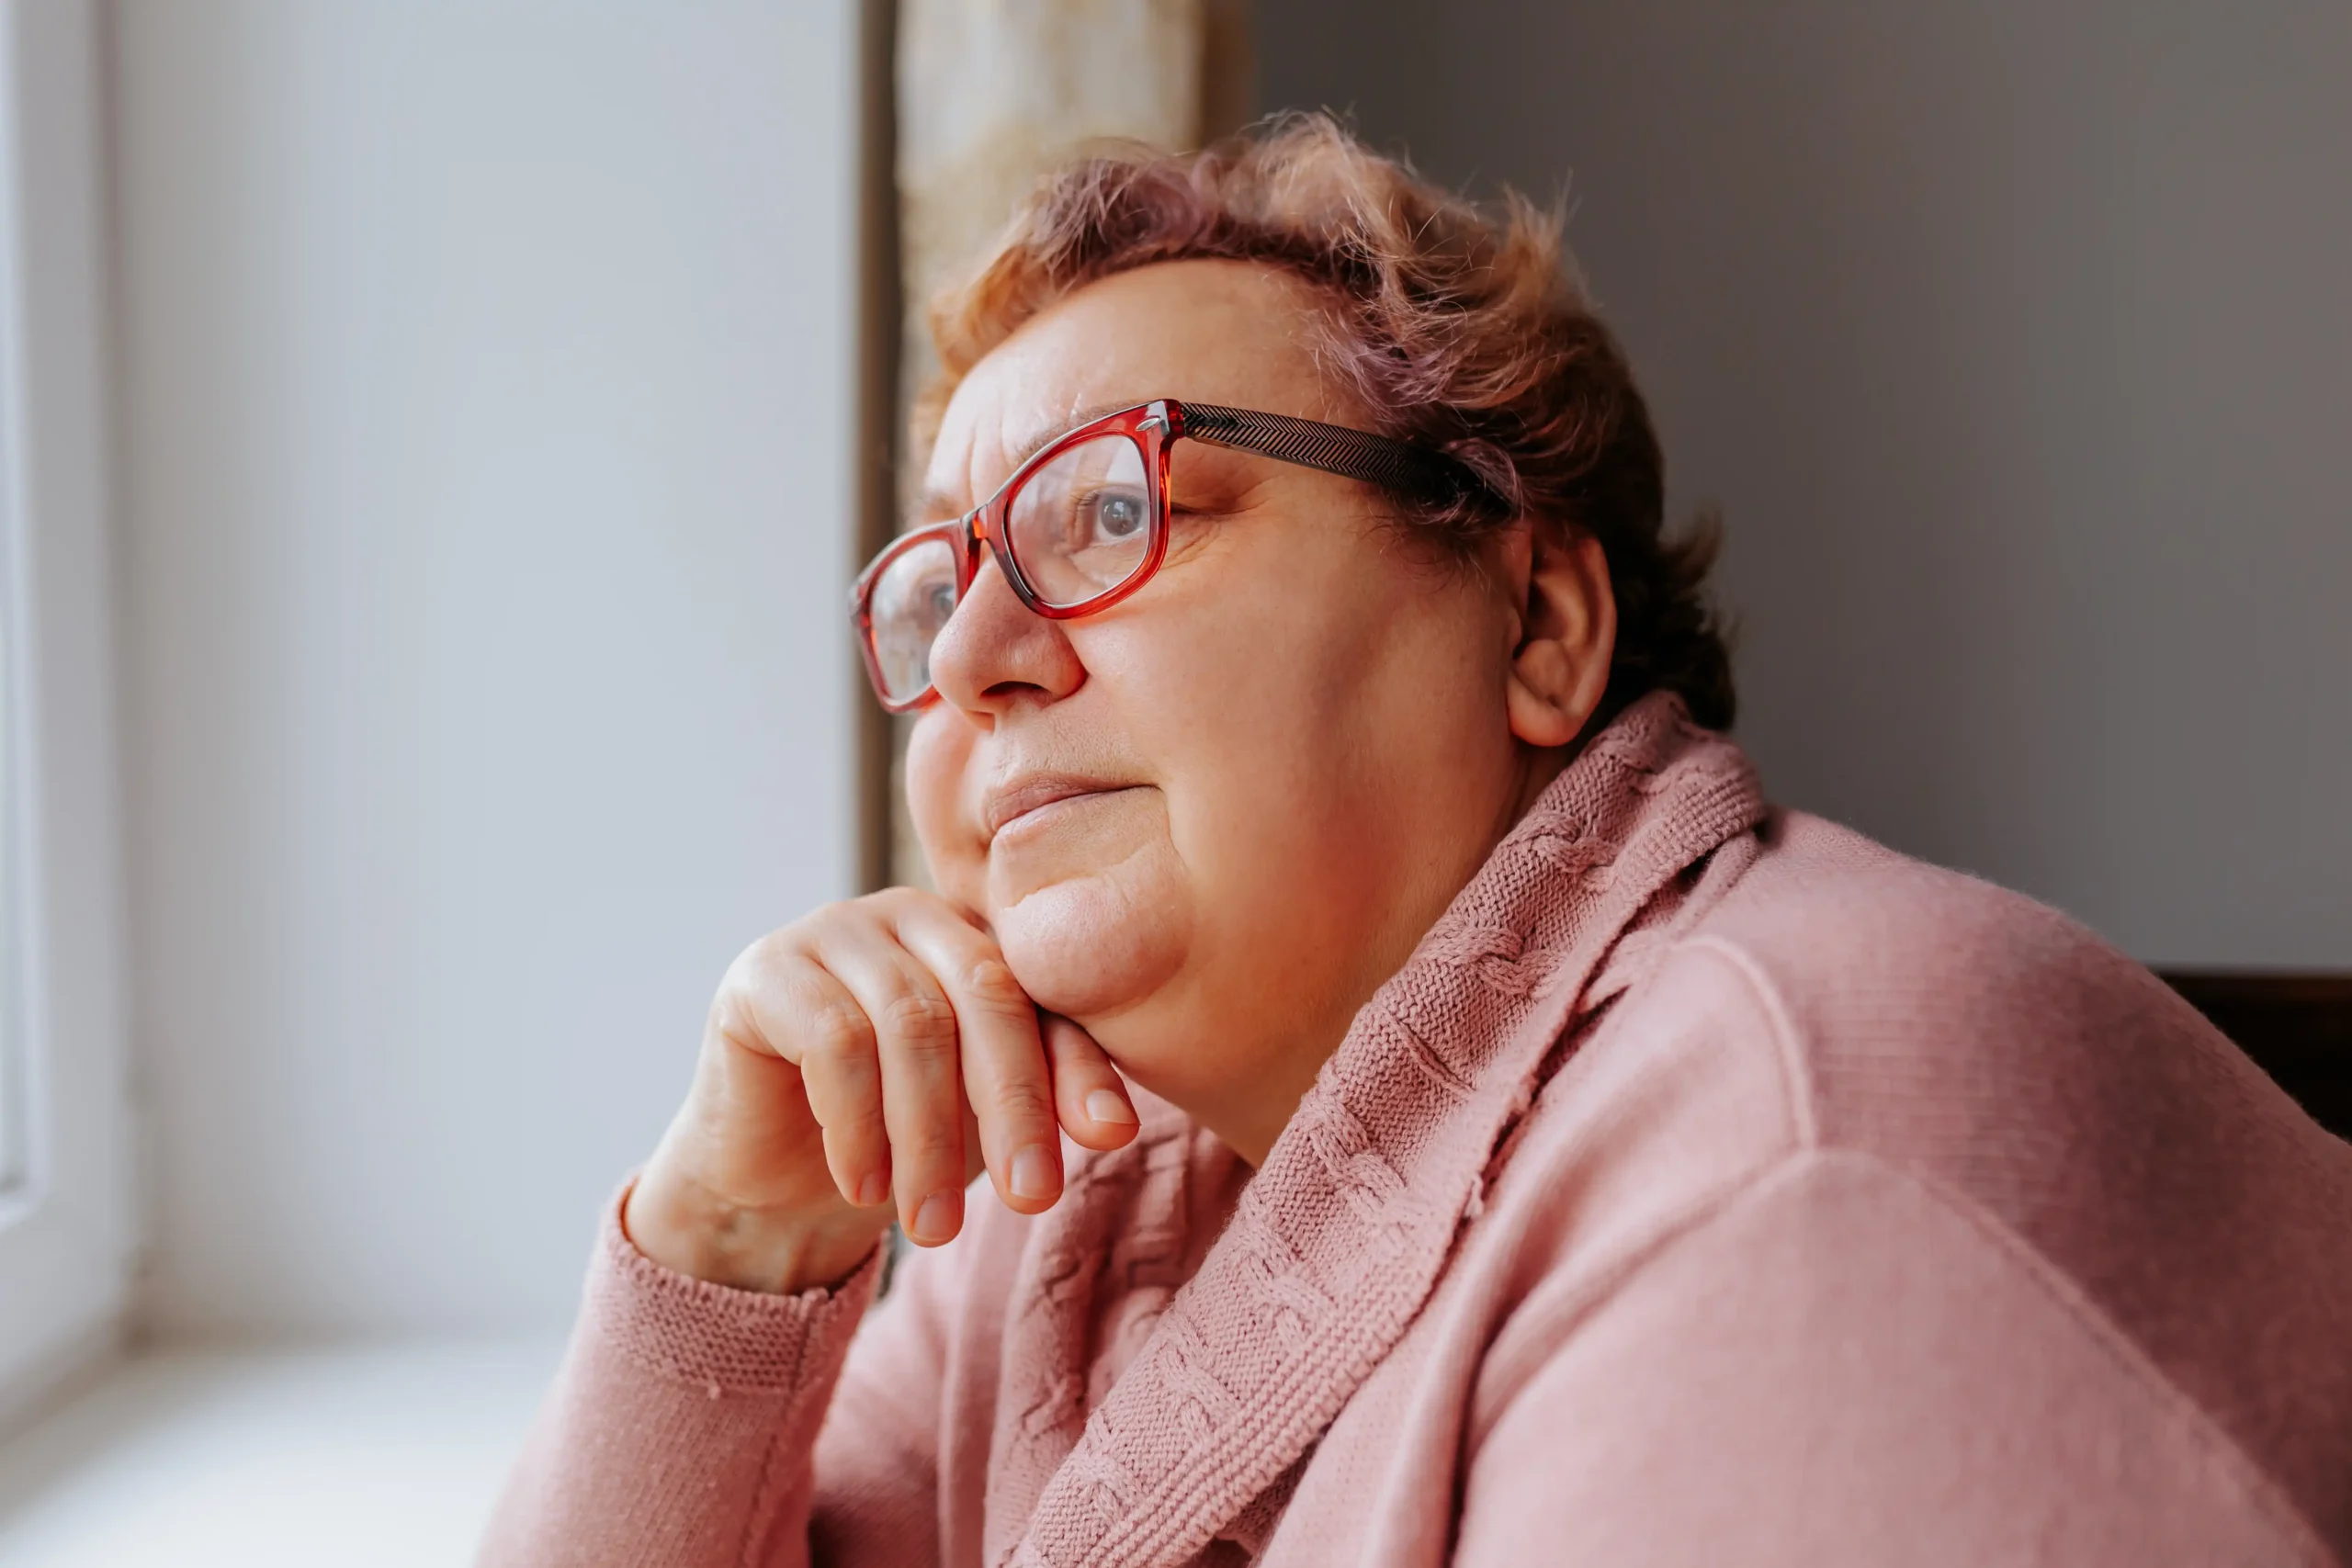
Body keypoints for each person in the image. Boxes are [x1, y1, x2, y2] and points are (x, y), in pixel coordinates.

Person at [481, 116, 2352, 1567]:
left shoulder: (1804, 1159)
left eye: (1113, 504)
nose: (968, 658)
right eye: (933, 589)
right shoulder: (1076, 1218)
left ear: (1534, 625)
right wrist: (721, 1253)